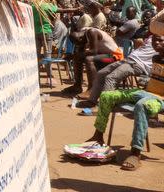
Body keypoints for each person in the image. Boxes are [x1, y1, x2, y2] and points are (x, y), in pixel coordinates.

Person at [83, 34, 164, 170]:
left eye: (160, 40)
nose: (156, 42)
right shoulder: (156, 57)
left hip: (160, 98)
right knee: (107, 96)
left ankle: (135, 152)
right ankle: (98, 136)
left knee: (142, 105)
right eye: (155, 40)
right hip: (147, 93)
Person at [77, 34, 163, 108]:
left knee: (111, 78)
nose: (156, 42)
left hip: (138, 64)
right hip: (128, 59)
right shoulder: (153, 36)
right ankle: (92, 101)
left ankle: (105, 106)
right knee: (101, 74)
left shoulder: (161, 42)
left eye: (159, 40)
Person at [63, 27, 124, 96]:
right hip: (104, 55)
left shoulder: (92, 32)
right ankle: (77, 86)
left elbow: (93, 51)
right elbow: (80, 52)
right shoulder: (82, 34)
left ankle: (92, 89)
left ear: (80, 38)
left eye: (79, 43)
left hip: (114, 57)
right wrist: (74, 56)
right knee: (77, 58)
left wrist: (74, 55)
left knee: (89, 59)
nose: (80, 45)